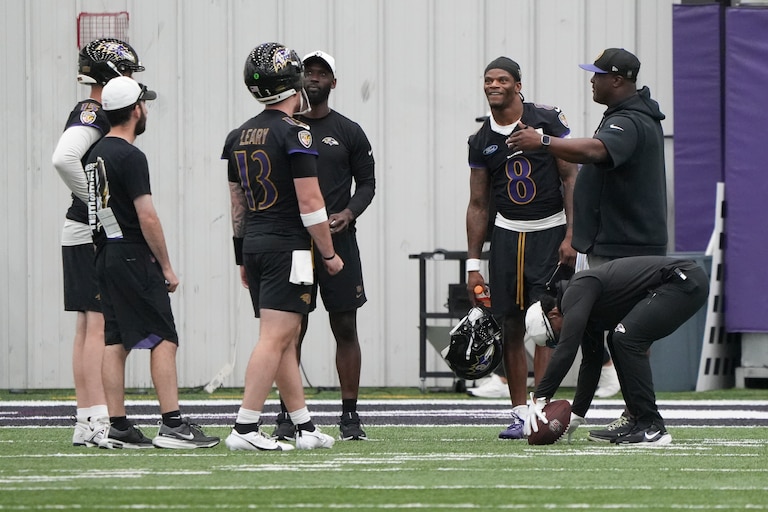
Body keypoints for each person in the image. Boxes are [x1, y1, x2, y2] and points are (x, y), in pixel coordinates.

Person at [508, 48, 668, 416]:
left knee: (628, 334)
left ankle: (639, 413)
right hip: (617, 241)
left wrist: (544, 142)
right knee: (611, 331)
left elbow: (597, 151)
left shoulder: (629, 121)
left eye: (598, 74)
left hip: (628, 245)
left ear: (618, 79)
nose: (591, 81)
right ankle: (622, 411)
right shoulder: (623, 116)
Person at [86, 76, 219, 450]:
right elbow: (147, 216)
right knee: (164, 337)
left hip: (105, 252)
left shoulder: (95, 153)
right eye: (144, 104)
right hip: (131, 253)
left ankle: (118, 426)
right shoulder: (131, 156)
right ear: (135, 110)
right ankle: (173, 425)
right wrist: (166, 266)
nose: (146, 111)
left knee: (116, 339)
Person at [222, 42, 342, 452]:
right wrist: (328, 253)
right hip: (287, 246)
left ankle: (304, 426)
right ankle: (245, 427)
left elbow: (237, 203)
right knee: (275, 336)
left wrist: (240, 254)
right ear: (292, 81)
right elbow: (311, 203)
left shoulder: (239, 134)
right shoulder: (295, 131)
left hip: (255, 242)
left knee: (286, 336)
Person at [465, 57, 578, 439]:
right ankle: (518, 411)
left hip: (549, 231)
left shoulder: (545, 120)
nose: (494, 85)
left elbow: (569, 178)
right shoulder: (482, 140)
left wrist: (571, 236)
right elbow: (478, 204)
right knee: (510, 323)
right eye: (488, 80)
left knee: (544, 322)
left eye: (502, 80)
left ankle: (540, 406)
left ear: (518, 84)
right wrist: (472, 262)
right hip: (508, 235)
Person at [270, 50, 376, 442]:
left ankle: (349, 416)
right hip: (294, 244)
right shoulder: (282, 129)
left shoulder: (349, 131)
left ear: (334, 82)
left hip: (339, 241)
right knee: (290, 329)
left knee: (345, 325)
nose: (313, 78)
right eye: (308, 72)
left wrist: (348, 213)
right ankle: (288, 414)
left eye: (322, 73)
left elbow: (367, 184)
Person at [51, 38, 146, 447]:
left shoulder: (90, 111)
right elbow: (63, 158)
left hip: (78, 229)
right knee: (99, 325)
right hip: (89, 230)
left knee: (88, 324)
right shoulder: (93, 111)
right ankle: (99, 418)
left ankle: (88, 417)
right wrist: (97, 203)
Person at [522, 256, 709, 445]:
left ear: (553, 314)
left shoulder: (576, 290)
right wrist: (576, 414)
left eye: (556, 335)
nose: (560, 339)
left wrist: (541, 396)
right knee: (617, 339)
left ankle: (652, 426)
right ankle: (637, 420)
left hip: (682, 279)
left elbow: (566, 349)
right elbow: (592, 362)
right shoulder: (582, 307)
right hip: (677, 282)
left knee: (625, 338)